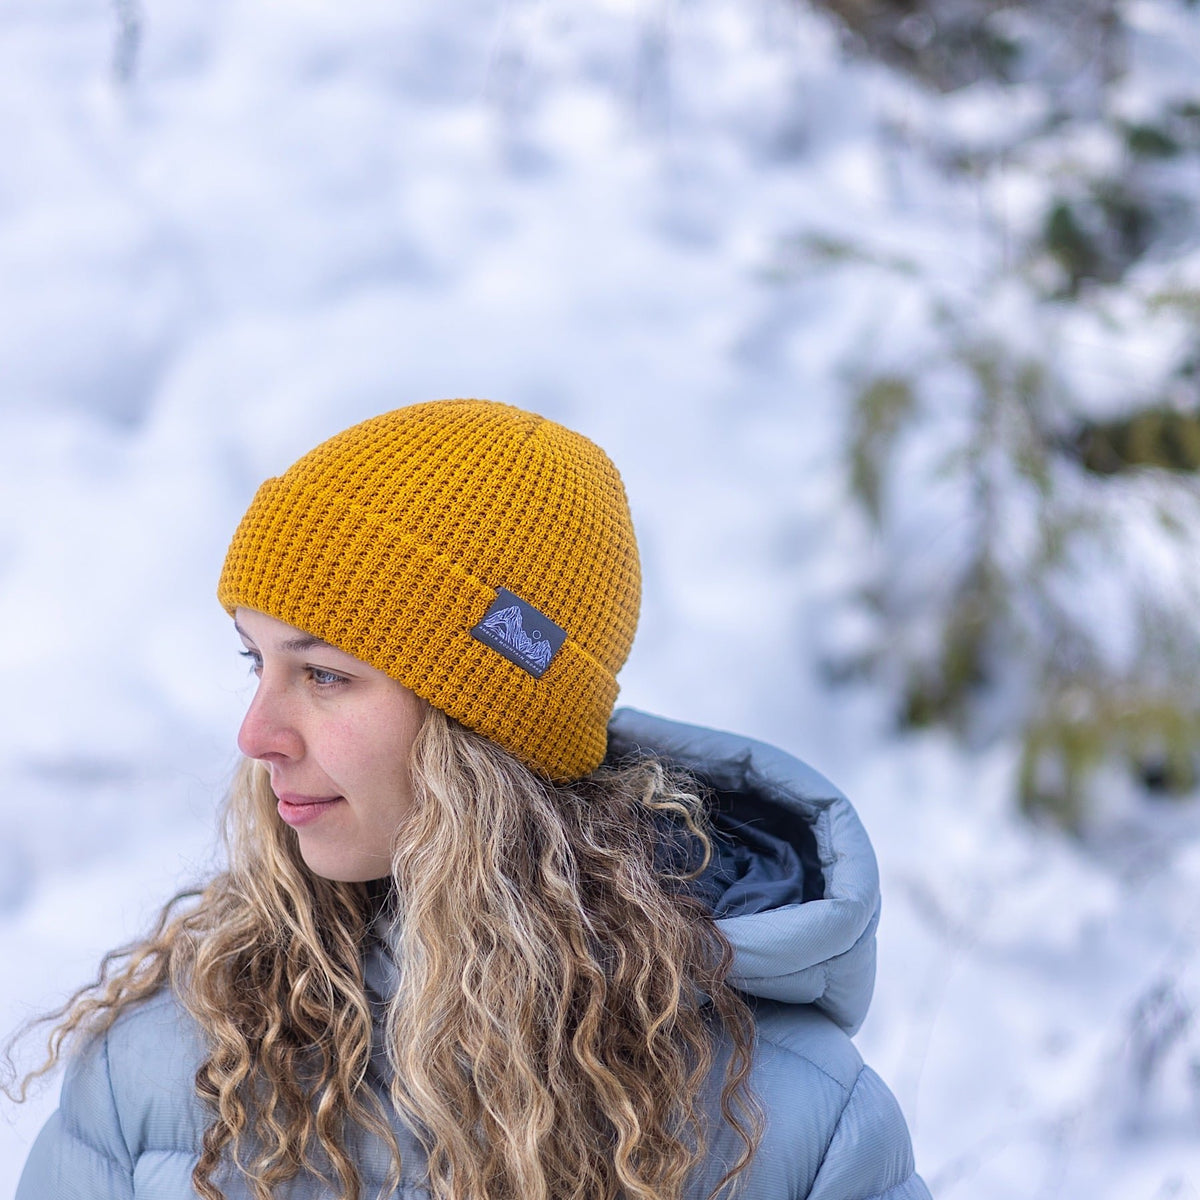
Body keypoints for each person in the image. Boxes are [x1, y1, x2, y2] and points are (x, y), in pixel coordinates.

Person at [9, 399, 931, 1200]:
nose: (257, 735)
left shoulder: (787, 1121)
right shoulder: (174, 1060)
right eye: (258, 663)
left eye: (325, 675)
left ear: (483, 736)